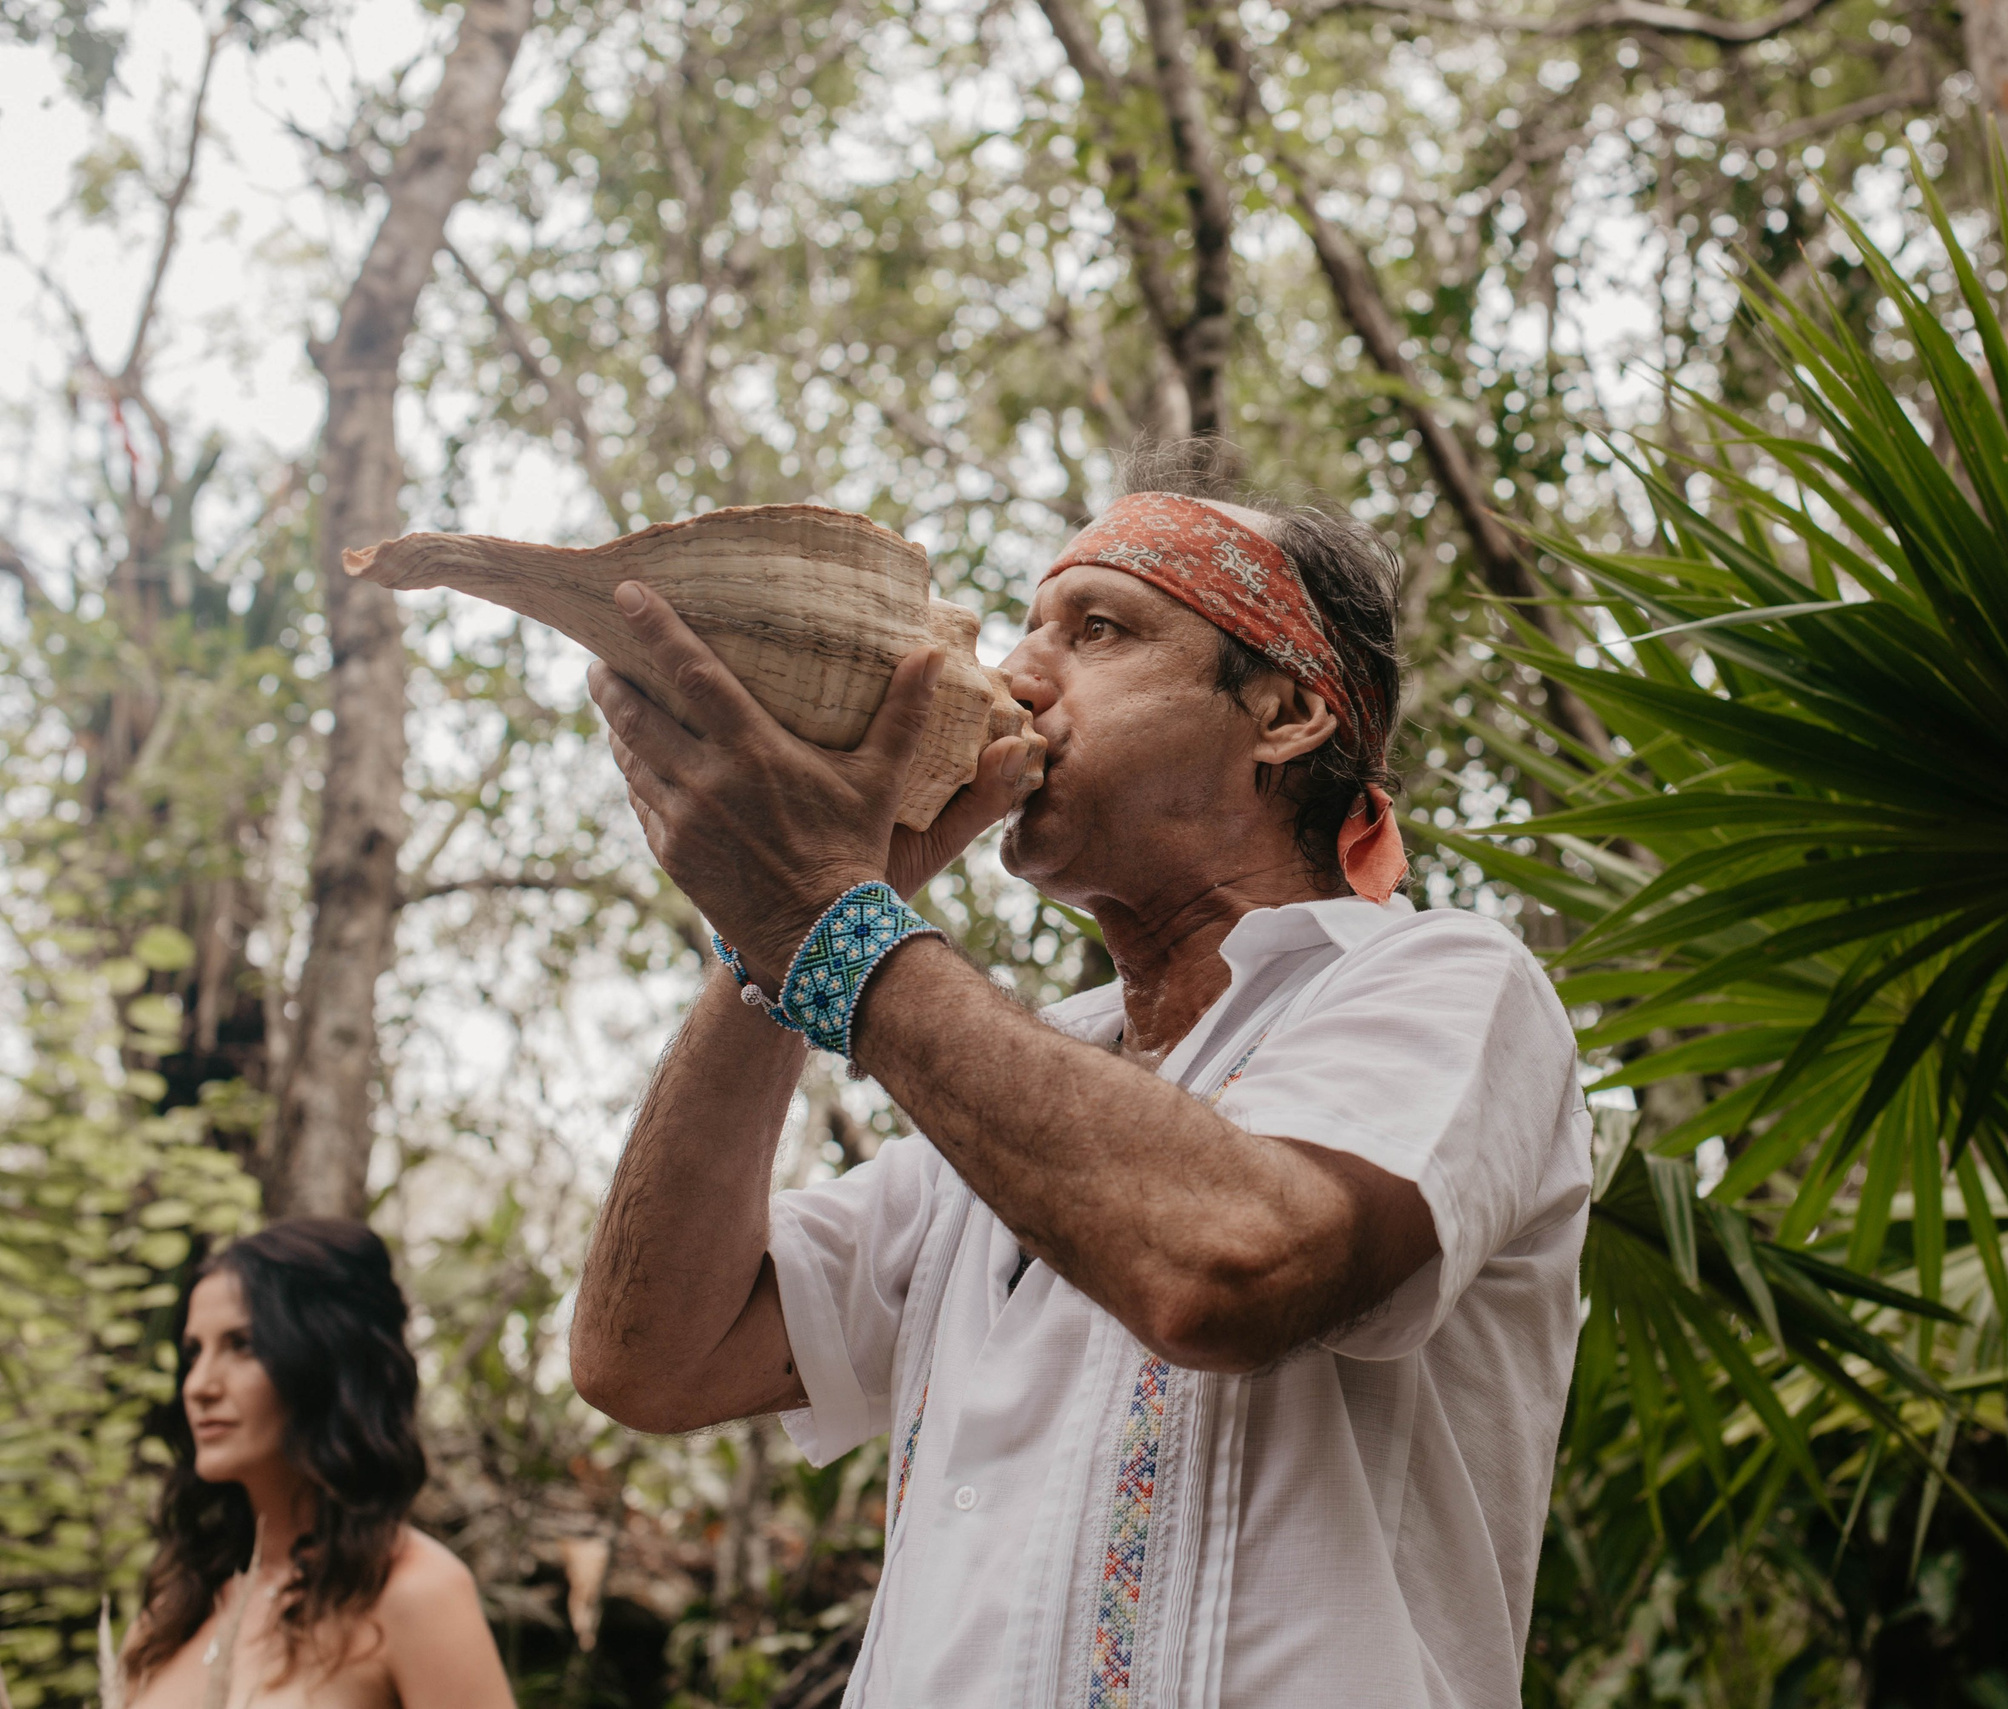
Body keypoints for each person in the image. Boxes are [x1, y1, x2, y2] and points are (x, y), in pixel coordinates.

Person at [571, 464, 1591, 1708]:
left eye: (1098, 628)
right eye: (1026, 630)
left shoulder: (1445, 979)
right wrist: (766, 938)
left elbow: (1230, 1261)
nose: (1017, 677)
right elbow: (649, 1356)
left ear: (1282, 713)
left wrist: (834, 920)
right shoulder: (1008, 1091)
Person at [123, 1219, 511, 1709]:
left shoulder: (416, 1594)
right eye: (194, 1353)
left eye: (242, 1345)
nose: (199, 1385)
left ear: (324, 1360)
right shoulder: (177, 1605)